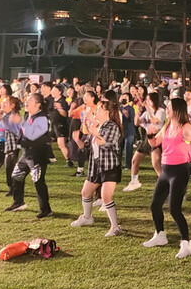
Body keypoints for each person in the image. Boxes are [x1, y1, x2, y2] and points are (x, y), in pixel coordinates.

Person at [142, 97, 191, 258]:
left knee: (174, 209)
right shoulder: (168, 125)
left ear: (176, 110)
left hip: (179, 171)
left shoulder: (186, 126)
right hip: (166, 170)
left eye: (168, 107)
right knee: (155, 205)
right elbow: (155, 143)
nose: (166, 109)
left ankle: (186, 243)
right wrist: (149, 135)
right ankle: (160, 234)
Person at [69, 100, 124, 236]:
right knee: (85, 193)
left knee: (106, 197)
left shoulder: (112, 127)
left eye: (99, 109)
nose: (96, 112)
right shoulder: (98, 126)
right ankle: (87, 217)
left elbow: (105, 143)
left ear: (107, 113)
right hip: (96, 166)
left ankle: (115, 227)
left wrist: (95, 131)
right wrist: (78, 140)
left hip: (109, 166)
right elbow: (85, 146)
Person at [6, 93, 53, 218]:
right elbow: (22, 135)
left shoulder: (42, 118)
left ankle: (46, 209)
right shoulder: (27, 116)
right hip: (26, 154)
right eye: (26, 100)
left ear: (38, 105)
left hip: (38, 154)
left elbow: (33, 135)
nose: (26, 102)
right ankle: (18, 202)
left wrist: (21, 123)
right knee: (16, 176)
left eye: (30, 101)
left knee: (38, 180)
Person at [124, 92, 165, 192]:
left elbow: (156, 122)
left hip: (156, 138)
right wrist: (137, 114)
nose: (146, 102)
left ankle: (165, 185)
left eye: (148, 100)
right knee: (135, 160)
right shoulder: (147, 113)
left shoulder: (161, 111)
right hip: (147, 138)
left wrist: (148, 110)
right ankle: (134, 182)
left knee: (156, 164)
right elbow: (137, 123)